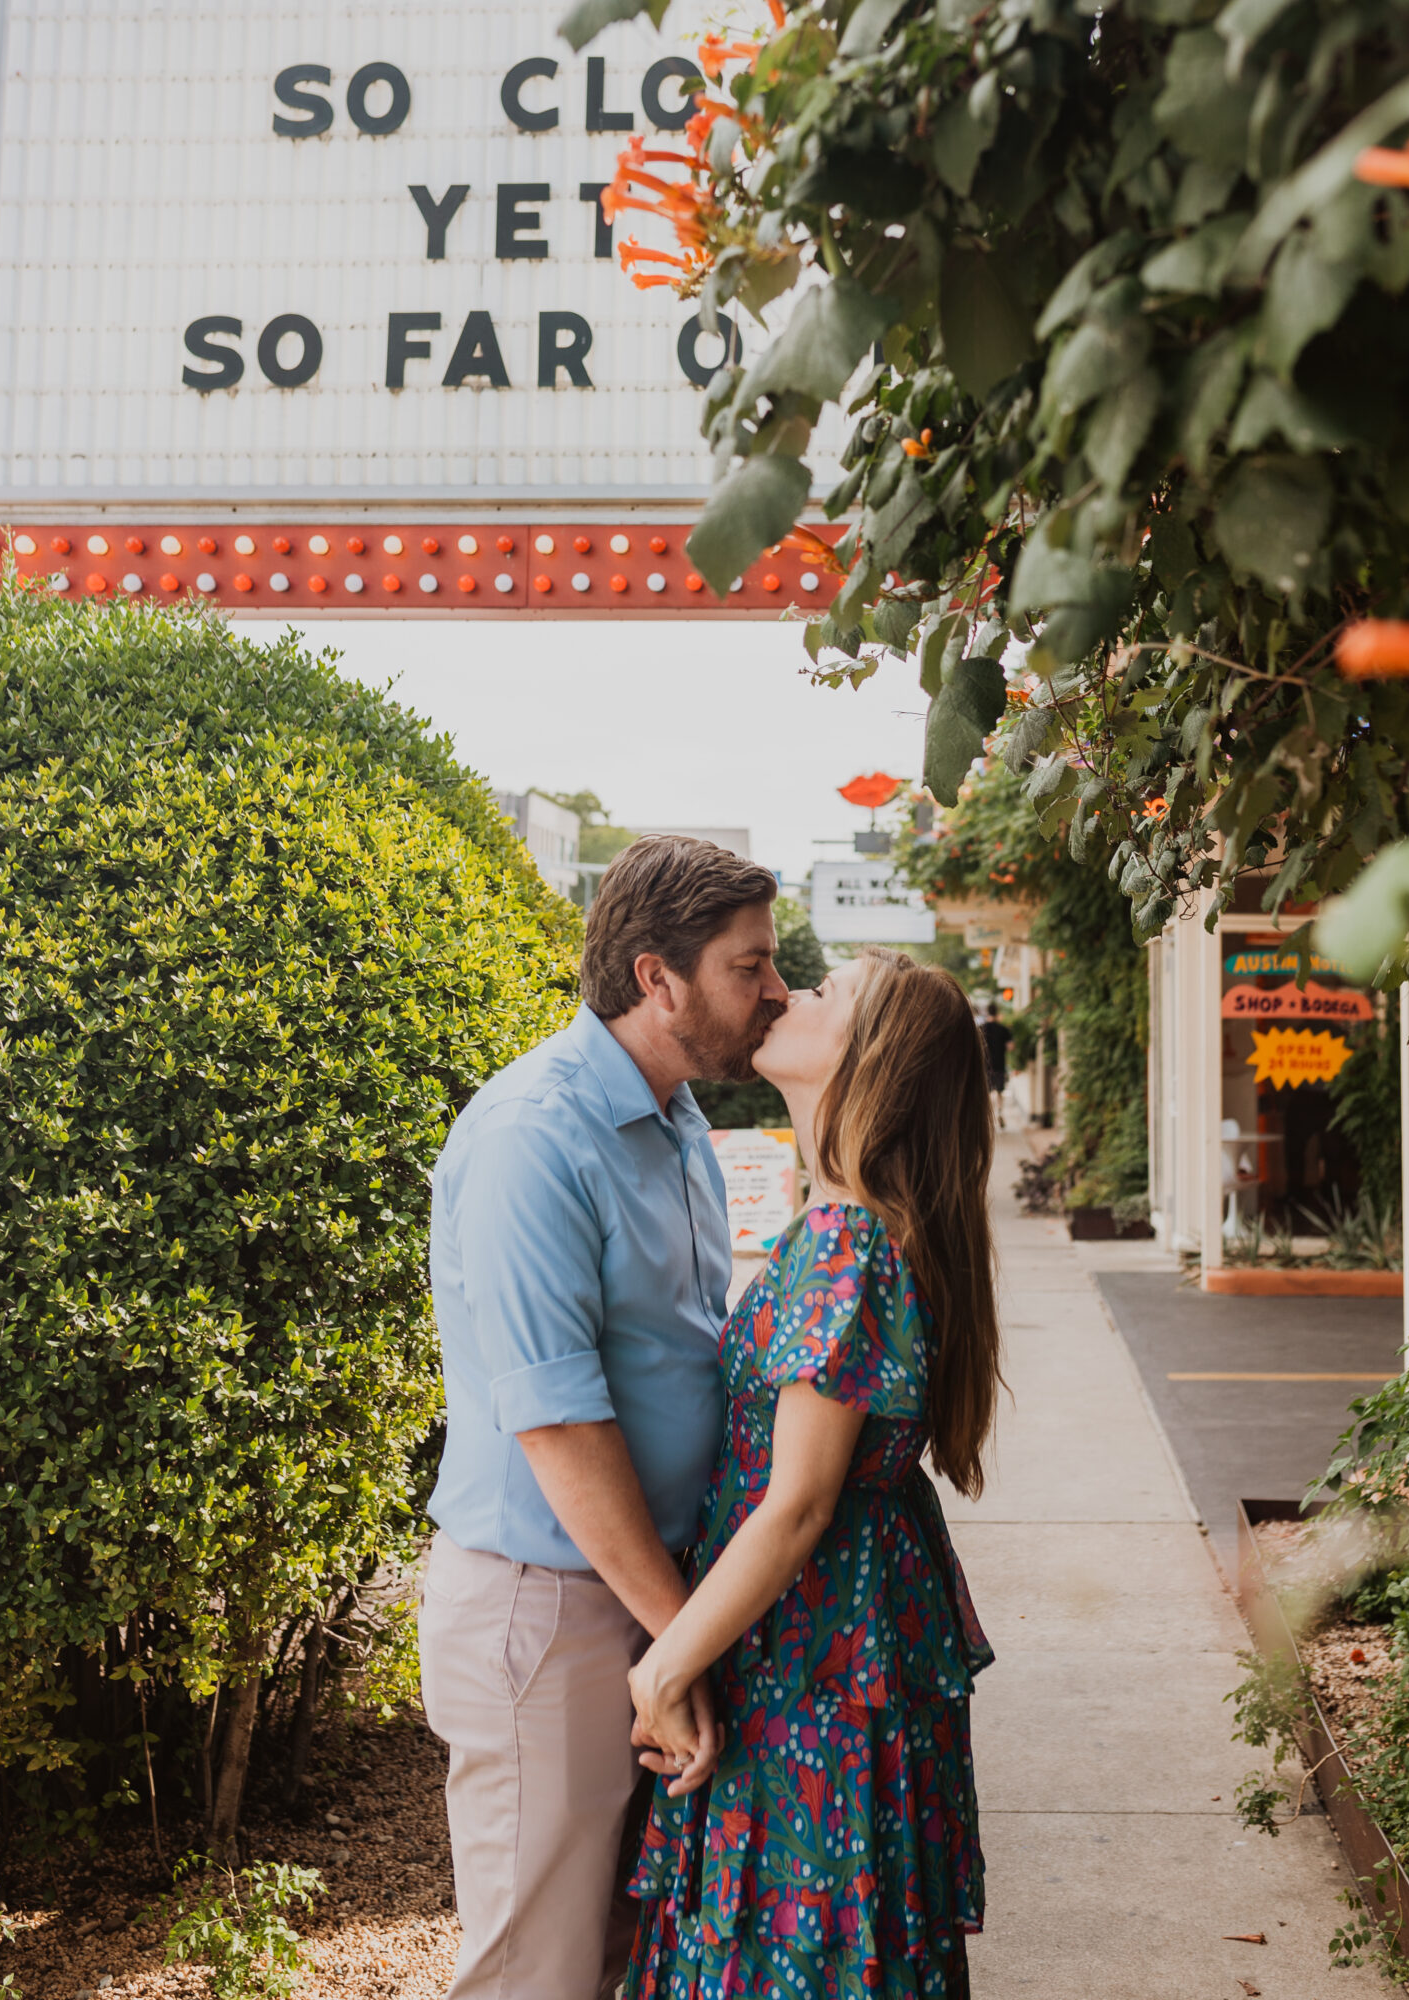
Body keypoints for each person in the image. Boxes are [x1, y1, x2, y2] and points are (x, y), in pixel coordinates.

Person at [419, 836, 790, 2000]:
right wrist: (677, 1636)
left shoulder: (675, 1114)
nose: (776, 991)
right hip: (552, 1613)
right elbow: (560, 1425)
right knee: (538, 1971)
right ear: (655, 978)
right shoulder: (538, 1136)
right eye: (751, 967)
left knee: (621, 1960)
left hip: (638, 1594)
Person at [624, 946, 1001, 2000]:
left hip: (812, 1656)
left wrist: (664, 1666)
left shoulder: (845, 1238)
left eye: (828, 992)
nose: (789, 992)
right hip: (844, 1639)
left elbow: (797, 1503)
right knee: (844, 1941)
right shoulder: (868, 1225)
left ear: (870, 1061)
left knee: (791, 1942)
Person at [979, 997, 1010, 1127]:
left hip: (984, 1066)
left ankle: (987, 1116)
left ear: (987, 1012)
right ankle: (999, 1113)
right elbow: (1011, 1047)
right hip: (999, 1064)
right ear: (997, 1013)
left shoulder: (981, 1028)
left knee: (986, 1093)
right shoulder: (1003, 1029)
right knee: (999, 1091)